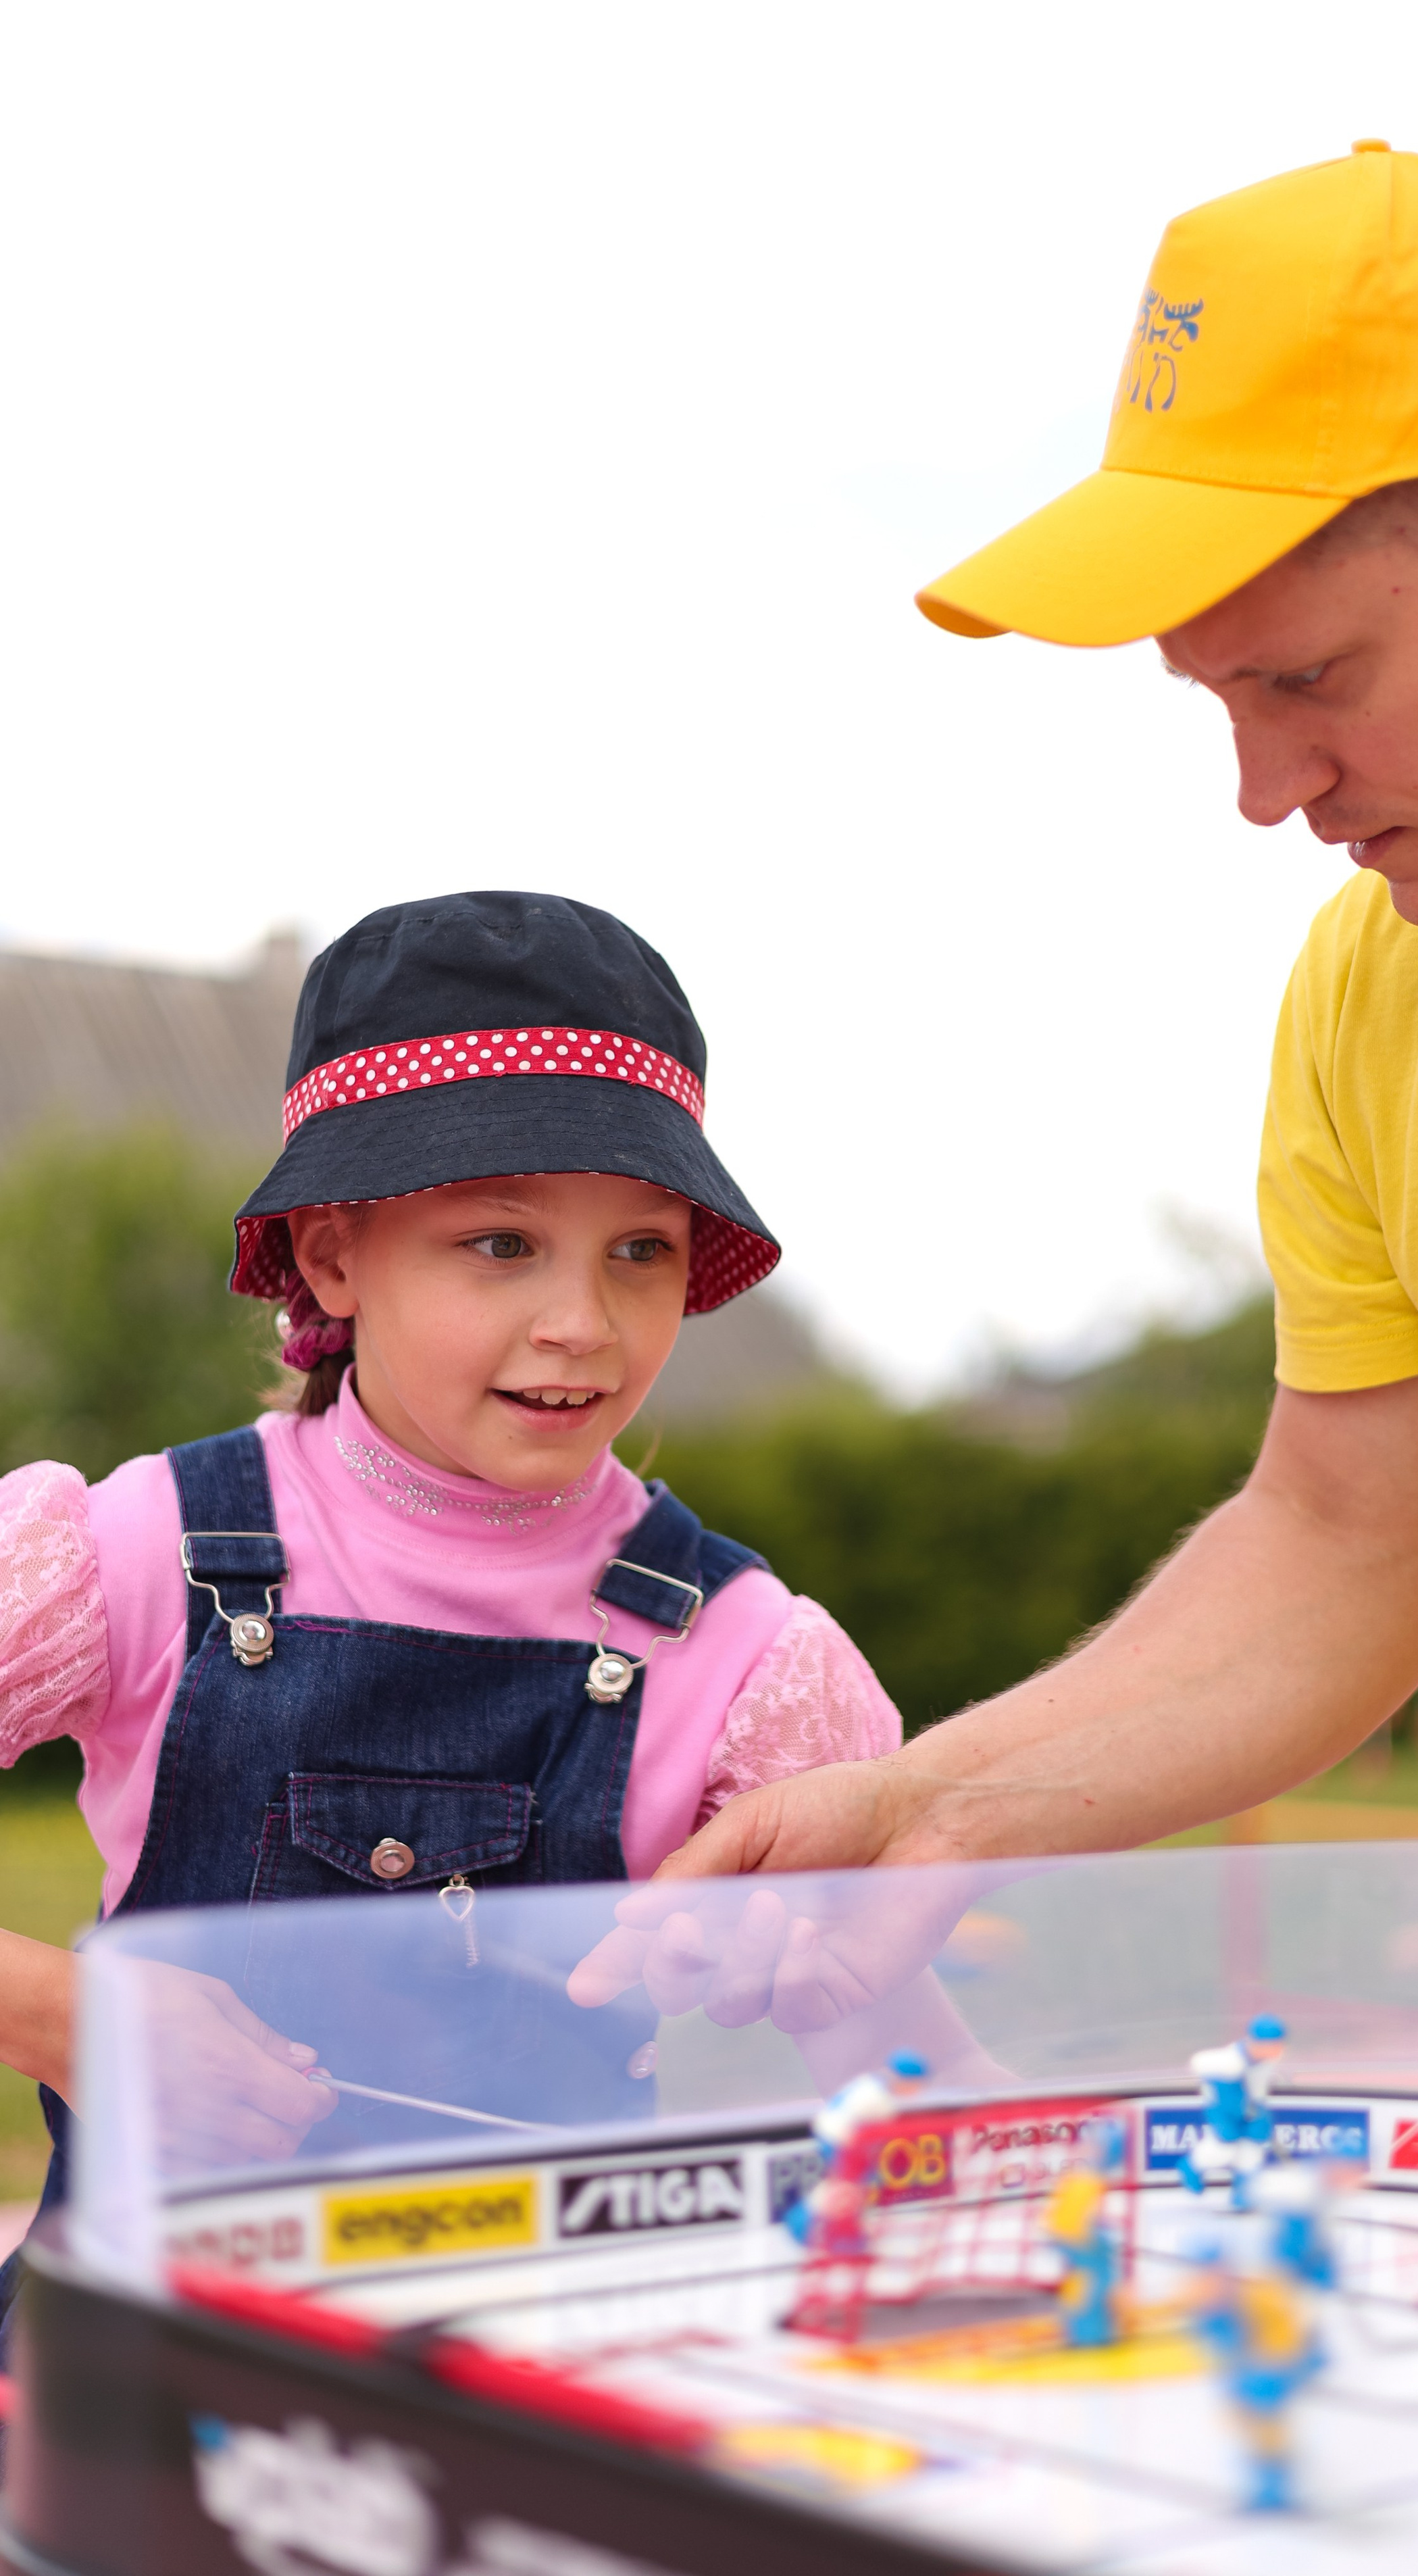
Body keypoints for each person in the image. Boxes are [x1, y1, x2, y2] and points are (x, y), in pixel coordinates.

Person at [655, 144, 1418, 2130]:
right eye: (1218, 701)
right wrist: (938, 1805)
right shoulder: (1380, 990)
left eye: (1315, 680)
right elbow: (1347, 1532)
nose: (1263, 789)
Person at [0, 889, 904, 2323]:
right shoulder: (127, 1552)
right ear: (333, 1256)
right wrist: (68, 2016)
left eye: (640, 1249)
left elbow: (904, 2076)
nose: (583, 1324)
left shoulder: (745, 1656)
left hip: (547, 2409)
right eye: (501, 1243)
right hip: (140, 2392)